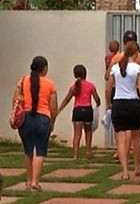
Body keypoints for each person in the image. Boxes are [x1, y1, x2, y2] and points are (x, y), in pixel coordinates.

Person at [105, 41, 140, 180]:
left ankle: (125, 171)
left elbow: (108, 89)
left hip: (118, 104)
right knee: (137, 135)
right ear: (136, 53)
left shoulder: (115, 68)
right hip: (133, 104)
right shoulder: (138, 69)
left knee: (120, 139)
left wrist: (109, 104)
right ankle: (137, 166)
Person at [13, 56, 58, 191]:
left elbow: (15, 99)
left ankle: (28, 180)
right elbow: (54, 107)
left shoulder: (23, 81)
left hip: (25, 119)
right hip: (43, 118)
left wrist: (15, 115)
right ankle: (35, 182)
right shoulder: (50, 84)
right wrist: (52, 121)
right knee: (40, 151)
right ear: (44, 68)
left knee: (28, 151)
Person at [58, 64, 101, 160]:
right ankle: (88, 151)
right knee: (88, 131)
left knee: (77, 134)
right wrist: (98, 103)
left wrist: (59, 109)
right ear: (85, 74)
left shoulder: (73, 87)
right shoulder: (90, 85)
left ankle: (75, 155)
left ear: (74, 74)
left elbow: (67, 99)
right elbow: (96, 98)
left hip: (77, 111)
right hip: (87, 110)